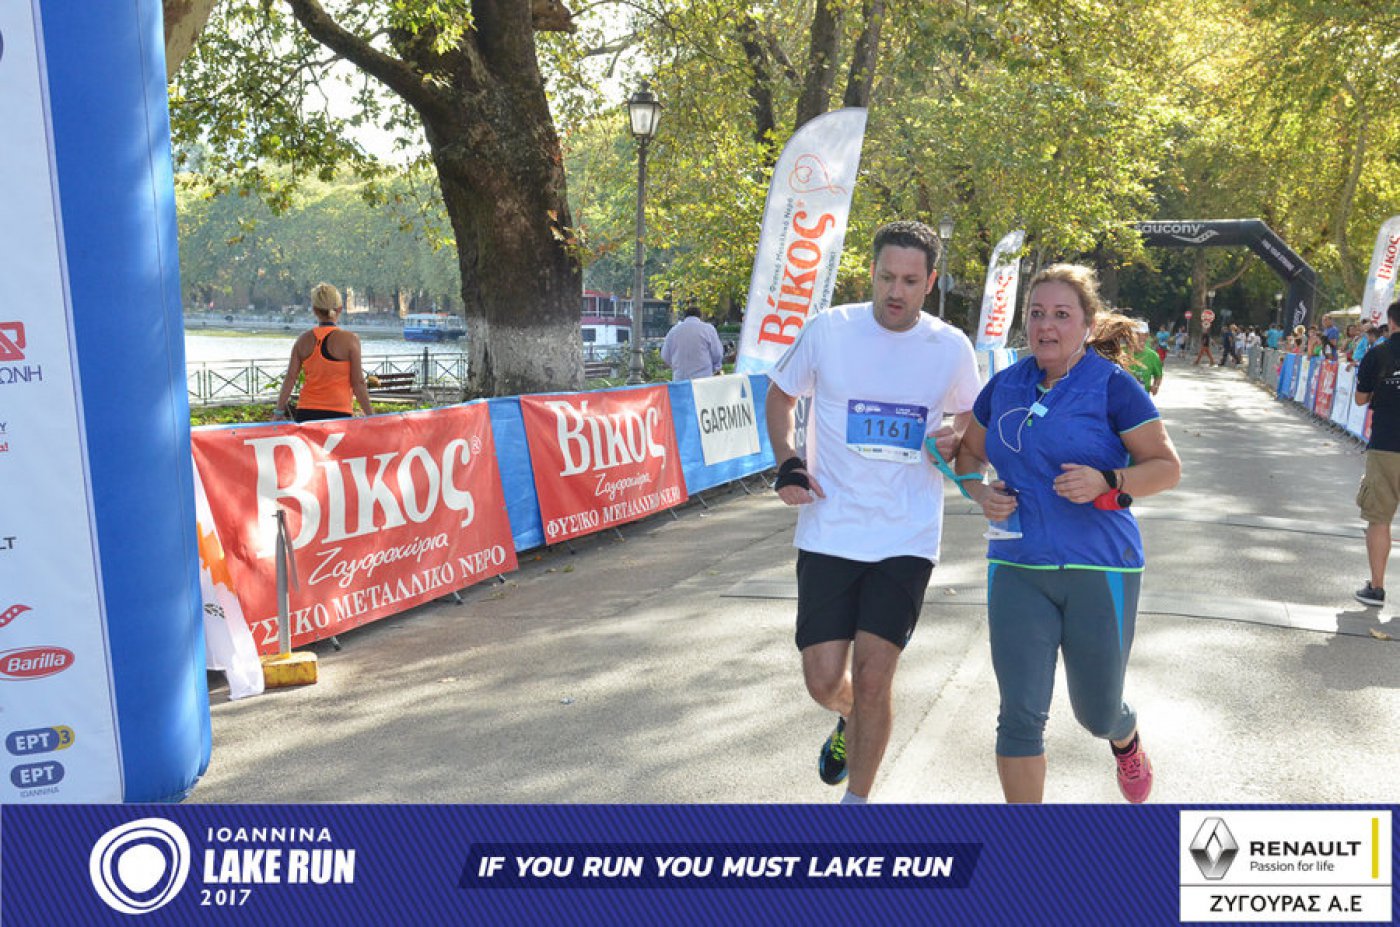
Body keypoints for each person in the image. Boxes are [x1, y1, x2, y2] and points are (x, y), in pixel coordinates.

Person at [765, 219, 981, 803]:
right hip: (830, 529)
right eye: (887, 277)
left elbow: (970, 415)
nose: (896, 291)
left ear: (930, 282)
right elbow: (781, 395)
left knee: (874, 678)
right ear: (872, 272)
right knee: (824, 681)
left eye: (910, 281)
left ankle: (857, 806)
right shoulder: (829, 330)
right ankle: (848, 718)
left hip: (906, 535)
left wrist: (955, 437)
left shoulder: (950, 347)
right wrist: (788, 461)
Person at [949, 263, 1182, 803]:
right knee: (1019, 716)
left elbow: (1166, 468)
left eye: (1060, 314)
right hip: (1017, 565)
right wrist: (980, 493)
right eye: (1036, 314)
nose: (1046, 326)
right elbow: (968, 456)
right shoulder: (1004, 386)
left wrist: (1109, 480)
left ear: (1087, 324)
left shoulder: (1114, 387)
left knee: (1097, 713)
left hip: (1100, 565)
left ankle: (1124, 737)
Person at [1352, 300, 1400, 608]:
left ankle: (1377, 588)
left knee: (1379, 519)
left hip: (1387, 445)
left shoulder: (1377, 354)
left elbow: (1360, 399)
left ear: (1391, 323)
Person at [274, 283, 374, 422]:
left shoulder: (303, 340)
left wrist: (278, 412)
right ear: (340, 309)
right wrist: (371, 417)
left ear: (315, 310)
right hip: (339, 413)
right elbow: (358, 383)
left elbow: (290, 378)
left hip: (305, 412)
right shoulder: (350, 340)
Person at [660, 307, 724, 381]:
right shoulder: (708, 329)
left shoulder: (673, 331)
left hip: (681, 378)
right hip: (704, 377)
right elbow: (717, 353)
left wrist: (675, 366)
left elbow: (665, 356)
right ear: (700, 316)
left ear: (685, 316)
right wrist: (716, 367)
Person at [1130, 321, 1163, 395]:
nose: (1142, 337)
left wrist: (1156, 386)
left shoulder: (1153, 355)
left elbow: (1158, 375)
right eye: (1137, 334)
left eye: (1145, 335)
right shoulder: (1120, 353)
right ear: (1130, 336)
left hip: (1142, 398)